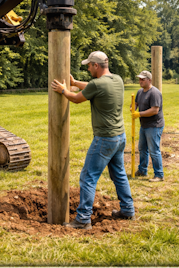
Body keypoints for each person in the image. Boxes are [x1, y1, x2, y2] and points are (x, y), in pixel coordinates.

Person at [51, 50, 135, 229]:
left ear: (96, 65)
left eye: (89, 65)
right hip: (120, 137)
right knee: (119, 174)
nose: (88, 68)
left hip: (105, 139)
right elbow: (91, 86)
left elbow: (75, 98)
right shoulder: (117, 79)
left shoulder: (97, 84)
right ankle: (128, 210)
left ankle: (83, 219)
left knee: (88, 177)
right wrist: (74, 83)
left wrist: (63, 90)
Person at [134, 70, 164, 182]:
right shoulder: (140, 92)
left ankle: (159, 175)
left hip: (154, 125)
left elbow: (154, 110)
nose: (140, 81)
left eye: (143, 79)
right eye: (139, 79)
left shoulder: (154, 93)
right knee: (142, 148)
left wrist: (139, 114)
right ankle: (142, 170)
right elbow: (136, 103)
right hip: (144, 125)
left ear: (149, 80)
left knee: (154, 150)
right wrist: (133, 107)